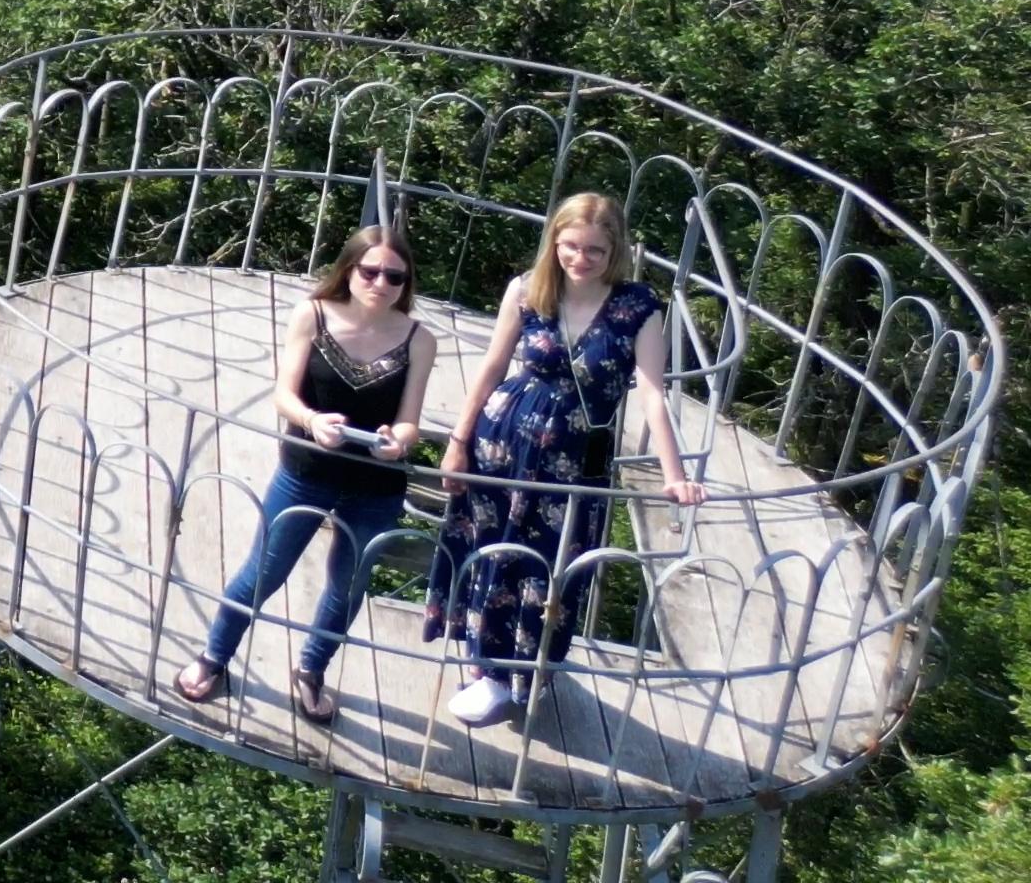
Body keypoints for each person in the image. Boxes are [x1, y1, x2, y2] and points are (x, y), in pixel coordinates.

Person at [426, 191, 707, 727]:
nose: (580, 259)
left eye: (595, 250)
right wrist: (458, 441)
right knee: (492, 551)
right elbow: (493, 367)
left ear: (615, 250)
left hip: (576, 459)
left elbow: (653, 395)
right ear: (554, 242)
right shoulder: (528, 290)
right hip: (501, 443)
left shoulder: (638, 309)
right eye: (570, 246)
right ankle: (486, 669)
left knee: (554, 568)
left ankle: (526, 671)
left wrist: (675, 476)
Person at [175, 224, 438, 721]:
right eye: (370, 272)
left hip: (376, 483)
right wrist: (312, 421)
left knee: (349, 584)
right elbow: (284, 395)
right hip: (307, 470)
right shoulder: (313, 314)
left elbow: (410, 421)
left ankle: (312, 670)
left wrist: (398, 441)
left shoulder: (419, 339)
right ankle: (214, 656)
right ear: (349, 269)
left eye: (395, 277)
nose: (381, 284)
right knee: (264, 571)